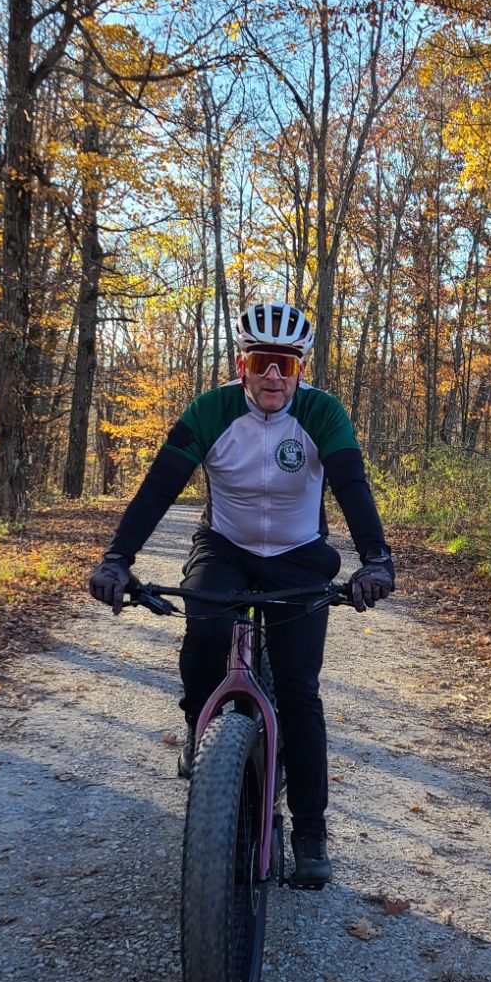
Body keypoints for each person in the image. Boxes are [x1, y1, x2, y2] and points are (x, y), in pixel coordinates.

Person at [86, 301, 395, 889]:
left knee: (301, 691)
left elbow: (352, 485)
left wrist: (375, 559)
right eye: (261, 361)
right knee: (204, 633)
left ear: (301, 369)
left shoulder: (324, 414)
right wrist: (117, 559)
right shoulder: (211, 410)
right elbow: (158, 487)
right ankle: (199, 730)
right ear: (241, 364)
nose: (273, 375)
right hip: (225, 547)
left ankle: (309, 832)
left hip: (299, 555)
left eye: (286, 363)